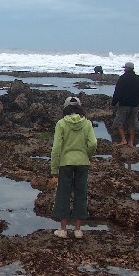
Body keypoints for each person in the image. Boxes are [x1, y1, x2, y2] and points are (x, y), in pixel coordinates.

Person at [50, 96, 97, 239]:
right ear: (80, 108)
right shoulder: (87, 123)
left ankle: (63, 230)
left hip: (65, 163)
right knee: (81, 194)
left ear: (65, 108)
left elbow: (56, 147)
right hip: (82, 163)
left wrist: (53, 170)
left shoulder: (61, 123)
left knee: (63, 194)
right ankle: (78, 230)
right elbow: (93, 143)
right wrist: (87, 156)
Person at [111, 61, 139, 147]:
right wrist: (138, 102)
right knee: (132, 123)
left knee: (119, 122)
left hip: (124, 104)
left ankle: (123, 140)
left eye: (124, 68)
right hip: (134, 105)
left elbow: (117, 91)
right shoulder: (138, 79)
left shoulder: (122, 78)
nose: (124, 69)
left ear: (127, 68)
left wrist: (114, 103)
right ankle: (131, 142)